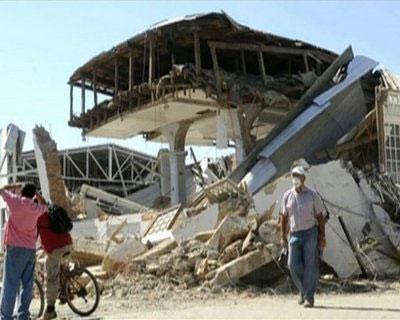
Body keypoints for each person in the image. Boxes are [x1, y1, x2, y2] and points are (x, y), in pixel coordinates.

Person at [280, 166, 326, 308]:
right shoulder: (287, 196)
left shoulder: (312, 195)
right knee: (292, 265)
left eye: (298, 176)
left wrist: (322, 236)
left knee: (310, 265)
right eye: (293, 176)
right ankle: (303, 290)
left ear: (303, 178)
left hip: (310, 232)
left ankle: (309, 297)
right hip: (294, 234)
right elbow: (283, 217)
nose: (295, 179)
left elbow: (320, 217)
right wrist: (282, 236)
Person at [0, 182, 47, 320]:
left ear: (22, 192)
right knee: (27, 285)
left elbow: (1, 190)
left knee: (10, 284)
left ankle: (6, 317)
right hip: (30, 249)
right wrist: (36, 193)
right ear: (33, 195)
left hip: (15, 249)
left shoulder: (15, 202)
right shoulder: (35, 207)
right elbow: (44, 205)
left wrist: (16, 185)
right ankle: (23, 315)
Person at [37, 208, 73, 320]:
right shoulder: (50, 211)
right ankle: (65, 290)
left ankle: (50, 310)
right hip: (68, 244)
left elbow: (32, 237)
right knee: (59, 266)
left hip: (55, 249)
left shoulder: (36, 217)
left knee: (51, 279)